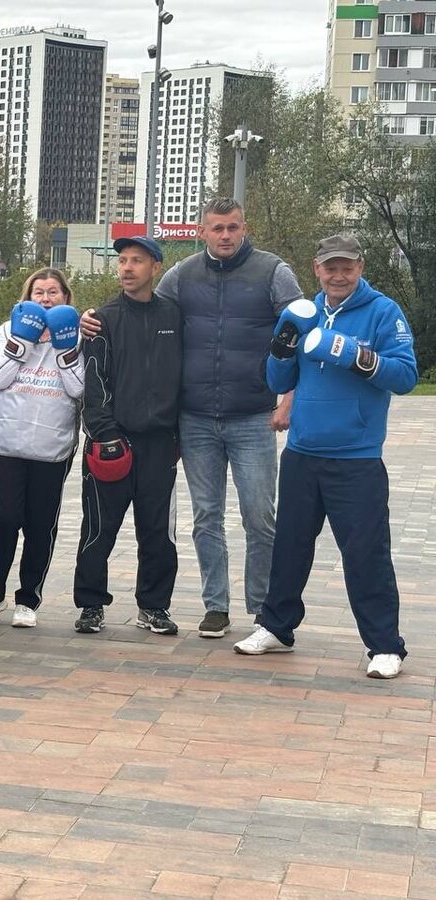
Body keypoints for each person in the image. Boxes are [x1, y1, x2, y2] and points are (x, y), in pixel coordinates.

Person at [82, 198, 304, 639]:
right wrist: (91, 316)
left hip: (252, 416)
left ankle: (263, 610)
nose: (225, 235)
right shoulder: (182, 275)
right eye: (216, 228)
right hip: (196, 420)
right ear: (202, 232)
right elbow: (140, 310)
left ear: (244, 228)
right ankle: (215, 606)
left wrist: (290, 399)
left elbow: (302, 332)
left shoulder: (273, 271)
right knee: (206, 518)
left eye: (233, 227)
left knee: (260, 518)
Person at [235, 234, 417, 678]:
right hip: (301, 453)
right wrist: (281, 349)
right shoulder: (304, 313)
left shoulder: (382, 311)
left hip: (356, 457)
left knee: (365, 552)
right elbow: (278, 380)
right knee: (290, 547)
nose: (339, 275)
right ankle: (276, 627)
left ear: (360, 267)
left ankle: (385, 645)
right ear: (317, 269)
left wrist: (356, 356)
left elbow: (405, 376)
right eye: (330, 267)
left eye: (347, 266)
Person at [73, 236, 182, 636]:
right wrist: (106, 435)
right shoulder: (103, 319)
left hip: (160, 445)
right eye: (122, 260)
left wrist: (178, 435)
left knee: (157, 533)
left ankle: (153, 606)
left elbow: (183, 378)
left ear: (155, 267)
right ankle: (90, 605)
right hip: (111, 443)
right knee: (98, 530)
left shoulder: (174, 316)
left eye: (137, 260)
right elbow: (94, 383)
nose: (127, 268)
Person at [0, 269, 84, 628]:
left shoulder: (78, 335)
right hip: (7, 443)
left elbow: (78, 389)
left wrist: (65, 347)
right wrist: (23, 340)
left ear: (66, 297)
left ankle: (28, 600)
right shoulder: (9, 328)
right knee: (5, 518)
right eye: (39, 292)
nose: (46, 299)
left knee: (41, 525)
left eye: (53, 292)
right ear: (28, 296)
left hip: (52, 446)